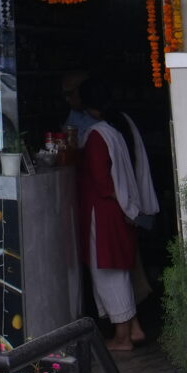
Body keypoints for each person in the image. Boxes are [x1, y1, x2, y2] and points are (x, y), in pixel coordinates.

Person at [74, 78, 146, 354]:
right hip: (117, 211)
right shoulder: (115, 130)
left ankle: (122, 336)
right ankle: (134, 328)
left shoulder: (96, 136)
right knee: (120, 271)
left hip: (103, 214)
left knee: (108, 273)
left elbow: (102, 182)